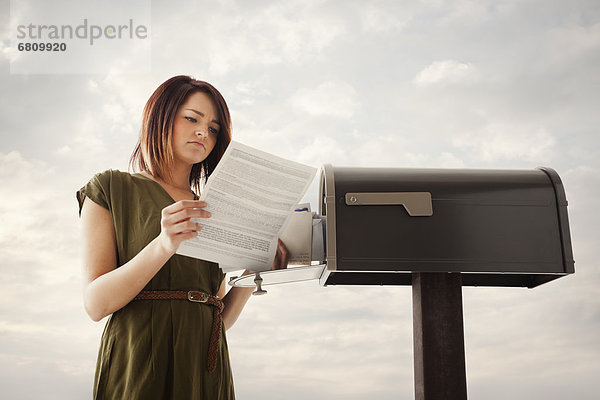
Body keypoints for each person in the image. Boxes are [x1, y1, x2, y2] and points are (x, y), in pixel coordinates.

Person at [77, 75, 288, 400]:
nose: (204, 132)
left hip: (205, 372)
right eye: (192, 118)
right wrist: (164, 244)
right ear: (160, 118)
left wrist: (254, 270)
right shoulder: (111, 188)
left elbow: (218, 317)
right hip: (139, 363)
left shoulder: (215, 208)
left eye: (214, 128)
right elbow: (95, 304)